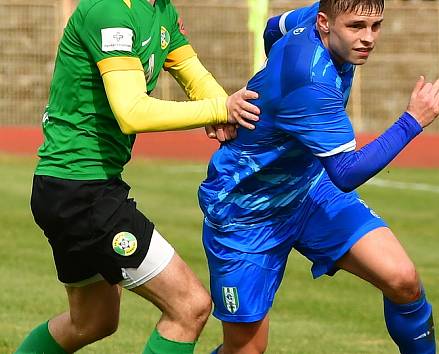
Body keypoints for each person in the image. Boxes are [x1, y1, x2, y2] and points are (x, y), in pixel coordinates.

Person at [198, 1, 439, 353]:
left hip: (309, 188)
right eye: (356, 27)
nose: (368, 38)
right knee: (246, 350)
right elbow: (347, 172)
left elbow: (273, 29)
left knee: (403, 280)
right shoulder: (310, 83)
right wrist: (413, 120)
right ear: (324, 24)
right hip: (246, 213)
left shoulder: (317, 16)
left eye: (376, 26)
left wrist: (271, 94)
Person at [15, 0, 260, 353]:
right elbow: (132, 112)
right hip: (82, 191)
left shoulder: (161, 10)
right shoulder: (109, 10)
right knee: (189, 307)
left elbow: (196, 77)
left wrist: (225, 109)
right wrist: (220, 108)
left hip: (71, 187)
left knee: (92, 322)